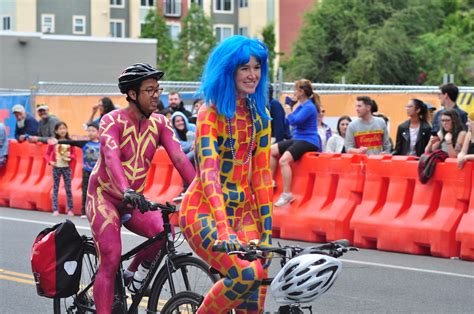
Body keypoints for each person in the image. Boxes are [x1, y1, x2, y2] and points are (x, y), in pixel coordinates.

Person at [85, 63, 195, 314]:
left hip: (133, 199)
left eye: (158, 89)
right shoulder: (111, 120)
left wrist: (202, 190)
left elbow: (179, 158)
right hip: (105, 196)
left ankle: (133, 274)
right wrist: (125, 190)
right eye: (149, 90)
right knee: (111, 257)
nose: (157, 95)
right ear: (133, 94)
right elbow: (111, 157)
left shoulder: (161, 123)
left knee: (164, 232)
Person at [179, 35, 273, 313]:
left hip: (244, 214)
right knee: (246, 274)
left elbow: (262, 177)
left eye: (257, 67)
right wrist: (222, 227)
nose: (252, 74)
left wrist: (267, 232)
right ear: (228, 70)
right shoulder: (210, 113)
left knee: (258, 286)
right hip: (203, 211)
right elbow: (208, 173)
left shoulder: (261, 115)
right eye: (244, 68)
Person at [271, 79, 321, 207]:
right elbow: (288, 121)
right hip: (298, 138)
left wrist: (288, 108)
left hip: (308, 140)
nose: (293, 93)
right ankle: (271, 181)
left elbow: (294, 121)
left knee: (284, 160)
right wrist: (291, 109)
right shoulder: (301, 106)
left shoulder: (309, 107)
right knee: (272, 150)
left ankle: (287, 194)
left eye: (295, 90)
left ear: (301, 92)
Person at [53, 122, 100, 218]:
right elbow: (71, 142)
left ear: (98, 132)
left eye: (93, 131)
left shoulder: (102, 144)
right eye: (89, 131)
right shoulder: (84, 143)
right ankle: (84, 211)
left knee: (98, 192)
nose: (90, 133)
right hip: (87, 171)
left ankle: (98, 211)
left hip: (98, 172)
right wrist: (58, 141)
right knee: (85, 191)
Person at [45, 121, 76, 217]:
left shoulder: (70, 142)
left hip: (66, 168)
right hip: (56, 168)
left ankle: (70, 209)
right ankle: (55, 209)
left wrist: (70, 157)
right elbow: (46, 154)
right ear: (56, 131)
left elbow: (74, 155)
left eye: (64, 128)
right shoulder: (53, 142)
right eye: (60, 129)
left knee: (68, 188)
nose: (62, 130)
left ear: (67, 130)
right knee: (56, 188)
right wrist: (50, 162)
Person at [171, 111, 196, 203]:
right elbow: (179, 147)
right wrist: (191, 144)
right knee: (184, 159)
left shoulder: (193, 127)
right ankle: (187, 188)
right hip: (189, 153)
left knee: (186, 159)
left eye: (182, 120)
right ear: (173, 123)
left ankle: (187, 188)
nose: (180, 122)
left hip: (199, 151)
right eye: (177, 121)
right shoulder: (173, 134)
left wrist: (195, 142)